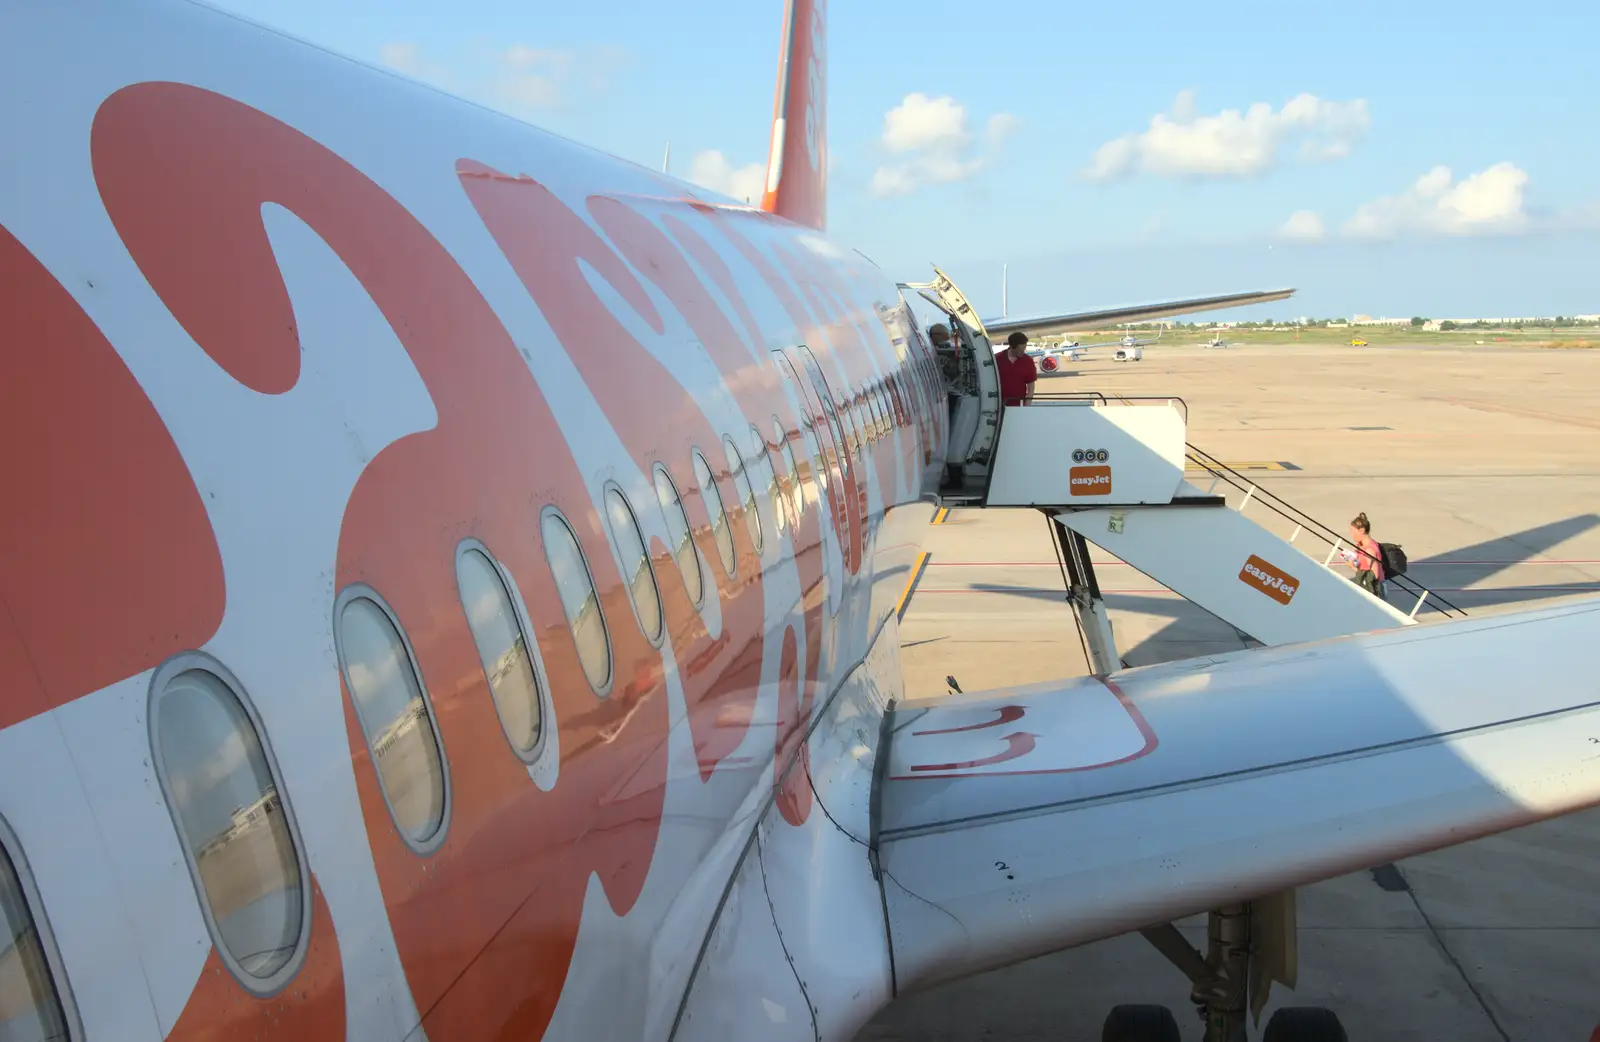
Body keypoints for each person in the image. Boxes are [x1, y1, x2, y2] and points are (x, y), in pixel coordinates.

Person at [1348, 512, 1385, 596]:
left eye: (1353, 532)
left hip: (1374, 589)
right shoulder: (1364, 545)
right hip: (1369, 587)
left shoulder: (1369, 550)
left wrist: (1353, 567)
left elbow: (1374, 575)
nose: (1352, 535)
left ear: (1362, 530)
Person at [997, 331, 1037, 407]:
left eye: (1024, 349)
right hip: (999, 406)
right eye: (1020, 350)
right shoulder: (997, 359)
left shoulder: (1028, 361)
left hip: (1019, 406)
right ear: (1011, 347)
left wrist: (1027, 403)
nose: (1023, 352)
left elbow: (1031, 385)